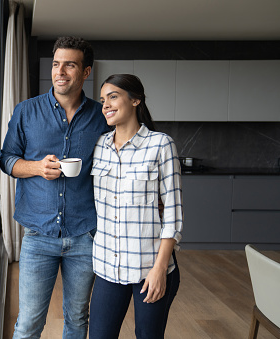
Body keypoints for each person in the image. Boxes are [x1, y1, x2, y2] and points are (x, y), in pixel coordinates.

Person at [0, 36, 110, 338]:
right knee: (29, 323)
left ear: (86, 72)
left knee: (77, 319)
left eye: (70, 65)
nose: (60, 71)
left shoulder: (102, 118)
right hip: (38, 234)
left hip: (85, 235)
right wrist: (36, 167)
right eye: (56, 64)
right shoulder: (26, 111)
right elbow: (6, 160)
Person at [89, 74, 183, 339]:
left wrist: (160, 269)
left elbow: (174, 214)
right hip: (108, 267)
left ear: (136, 100)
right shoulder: (99, 147)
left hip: (149, 268)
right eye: (103, 99)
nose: (105, 104)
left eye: (113, 96)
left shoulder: (161, 145)